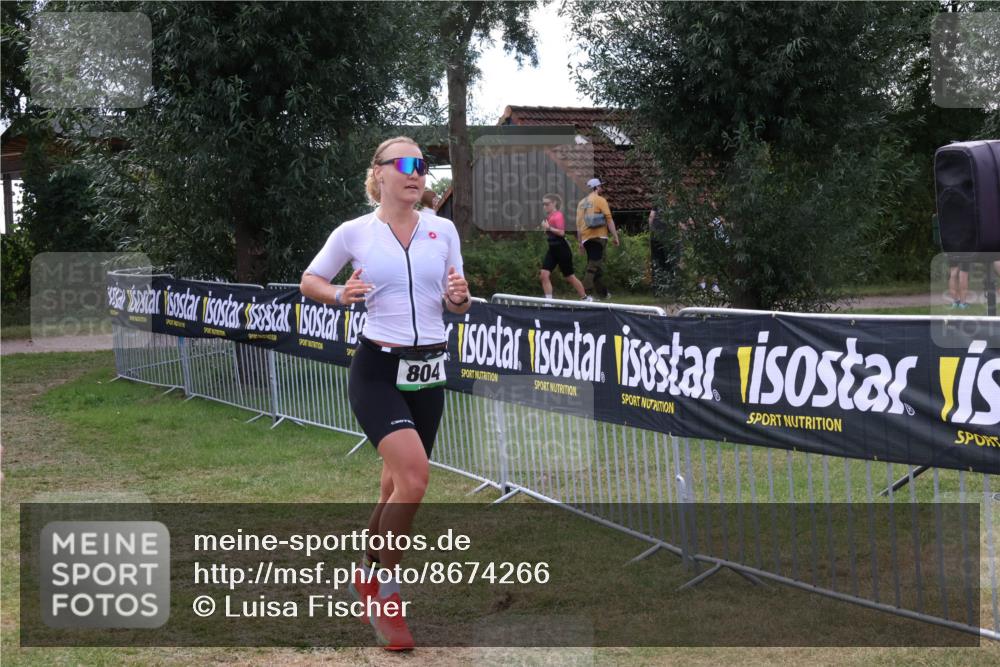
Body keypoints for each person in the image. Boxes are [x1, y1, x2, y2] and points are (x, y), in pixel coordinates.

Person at [300, 136, 471, 651]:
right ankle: (385, 594)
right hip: (377, 369)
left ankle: (365, 573)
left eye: (422, 164)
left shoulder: (443, 230)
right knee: (415, 481)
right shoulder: (355, 233)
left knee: (392, 488)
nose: (417, 173)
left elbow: (457, 298)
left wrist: (459, 300)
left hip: (429, 370)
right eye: (405, 164)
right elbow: (310, 280)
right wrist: (337, 294)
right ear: (379, 174)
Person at [539, 193, 589, 301]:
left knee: (569, 276)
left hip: (562, 249)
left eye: (547, 204)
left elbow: (562, 233)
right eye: (543, 204)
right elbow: (551, 232)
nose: (544, 207)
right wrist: (546, 230)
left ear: (554, 203)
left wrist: (549, 228)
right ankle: (548, 302)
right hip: (552, 249)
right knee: (544, 274)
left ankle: (584, 298)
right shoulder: (549, 216)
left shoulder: (558, 215)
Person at [575, 178, 619, 300]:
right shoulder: (600, 200)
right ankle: (585, 293)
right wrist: (615, 236)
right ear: (596, 188)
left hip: (586, 239)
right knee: (593, 266)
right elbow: (609, 219)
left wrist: (580, 242)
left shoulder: (581, 203)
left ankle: (603, 294)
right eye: (600, 186)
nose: (601, 188)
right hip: (599, 237)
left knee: (597, 267)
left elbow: (578, 225)